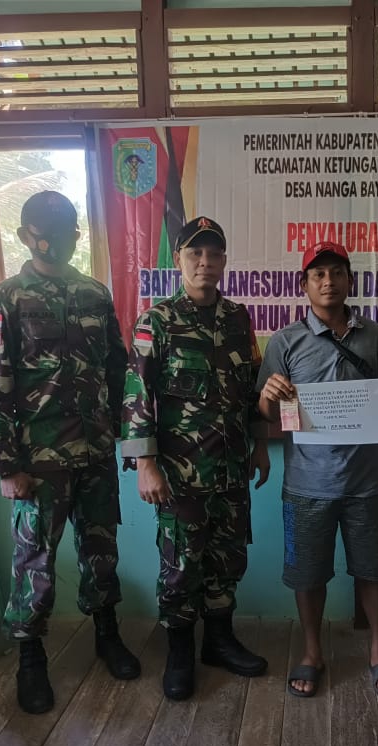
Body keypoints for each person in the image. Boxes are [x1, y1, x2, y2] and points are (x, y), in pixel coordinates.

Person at [0, 190, 140, 715]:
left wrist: (127, 437)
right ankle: (30, 658)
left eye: (68, 228)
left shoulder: (94, 294)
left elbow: (117, 370)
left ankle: (107, 635)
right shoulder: (5, 299)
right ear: (27, 235)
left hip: (94, 450)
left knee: (101, 550)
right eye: (48, 230)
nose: (60, 238)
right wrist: (5, 466)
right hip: (38, 459)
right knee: (35, 561)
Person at [121, 216, 271, 701]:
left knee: (228, 559)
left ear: (224, 261)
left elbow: (251, 390)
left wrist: (260, 444)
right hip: (180, 474)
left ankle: (219, 641)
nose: (205, 262)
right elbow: (136, 396)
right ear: (180, 260)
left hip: (231, 469)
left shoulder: (238, 318)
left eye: (214, 253)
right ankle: (180, 650)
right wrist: (145, 464)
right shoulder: (157, 321)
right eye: (195, 253)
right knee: (181, 565)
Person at [257, 240, 378, 699]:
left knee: (374, 570)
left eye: (337, 273)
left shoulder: (374, 336)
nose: (328, 282)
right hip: (307, 483)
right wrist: (270, 395)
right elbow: (266, 412)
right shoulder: (285, 341)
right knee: (308, 574)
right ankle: (311, 652)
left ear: (349, 280)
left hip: (366, 480)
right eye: (318, 274)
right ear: (303, 284)